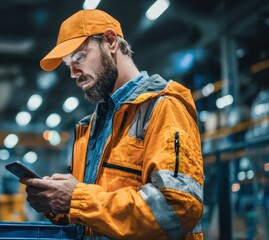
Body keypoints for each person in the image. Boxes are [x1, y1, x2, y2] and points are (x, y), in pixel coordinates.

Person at [20, 9, 204, 240]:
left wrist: (76, 198)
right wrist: (56, 203)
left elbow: (177, 207)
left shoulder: (163, 107)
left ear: (110, 41)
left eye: (79, 57)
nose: (73, 73)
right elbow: (98, 213)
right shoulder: (92, 126)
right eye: (68, 65)